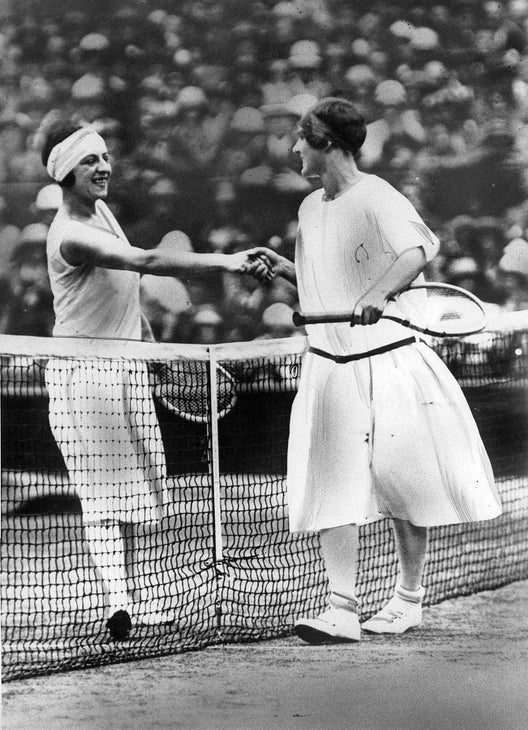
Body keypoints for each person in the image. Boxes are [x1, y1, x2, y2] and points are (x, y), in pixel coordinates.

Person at [252, 97, 502, 643]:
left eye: (301, 137)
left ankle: (407, 599)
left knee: (402, 484)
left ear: (329, 145)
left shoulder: (378, 194)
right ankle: (341, 608)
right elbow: (325, 288)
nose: (293, 147)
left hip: (388, 363)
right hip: (330, 368)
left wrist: (379, 291)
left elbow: (417, 249)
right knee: (330, 484)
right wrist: (285, 271)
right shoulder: (310, 209)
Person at [40, 122, 272, 641]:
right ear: (64, 174)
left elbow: (130, 284)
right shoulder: (70, 234)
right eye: (88, 162)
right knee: (101, 498)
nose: (103, 167)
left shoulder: (100, 210)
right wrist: (227, 261)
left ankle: (130, 600)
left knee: (130, 496)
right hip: (84, 376)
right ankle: (118, 603)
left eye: (104, 157)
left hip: (126, 365)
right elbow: (144, 260)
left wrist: (152, 349)